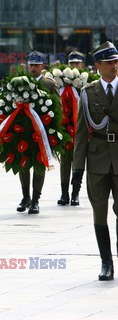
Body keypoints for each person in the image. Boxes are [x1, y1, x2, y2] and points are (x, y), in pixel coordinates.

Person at [74, 41, 118, 281]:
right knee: (99, 212)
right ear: (98, 66)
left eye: (116, 61)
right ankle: (106, 262)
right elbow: (81, 133)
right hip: (98, 159)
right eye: (109, 62)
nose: (114, 66)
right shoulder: (89, 93)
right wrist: (77, 169)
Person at [16, 51, 60, 214]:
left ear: (43, 66)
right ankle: (25, 196)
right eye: (31, 65)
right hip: (24, 131)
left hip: (42, 131)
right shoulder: (21, 82)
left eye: (36, 65)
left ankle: (35, 200)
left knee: (40, 165)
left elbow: (58, 107)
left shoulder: (49, 83)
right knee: (23, 164)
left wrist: (53, 129)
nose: (33, 68)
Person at [57, 50, 87, 206]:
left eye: (77, 63)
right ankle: (64, 194)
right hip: (65, 129)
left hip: (80, 131)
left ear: (82, 64)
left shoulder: (86, 84)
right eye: (71, 63)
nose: (74, 66)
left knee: (78, 162)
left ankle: (75, 193)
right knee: (64, 162)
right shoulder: (62, 83)